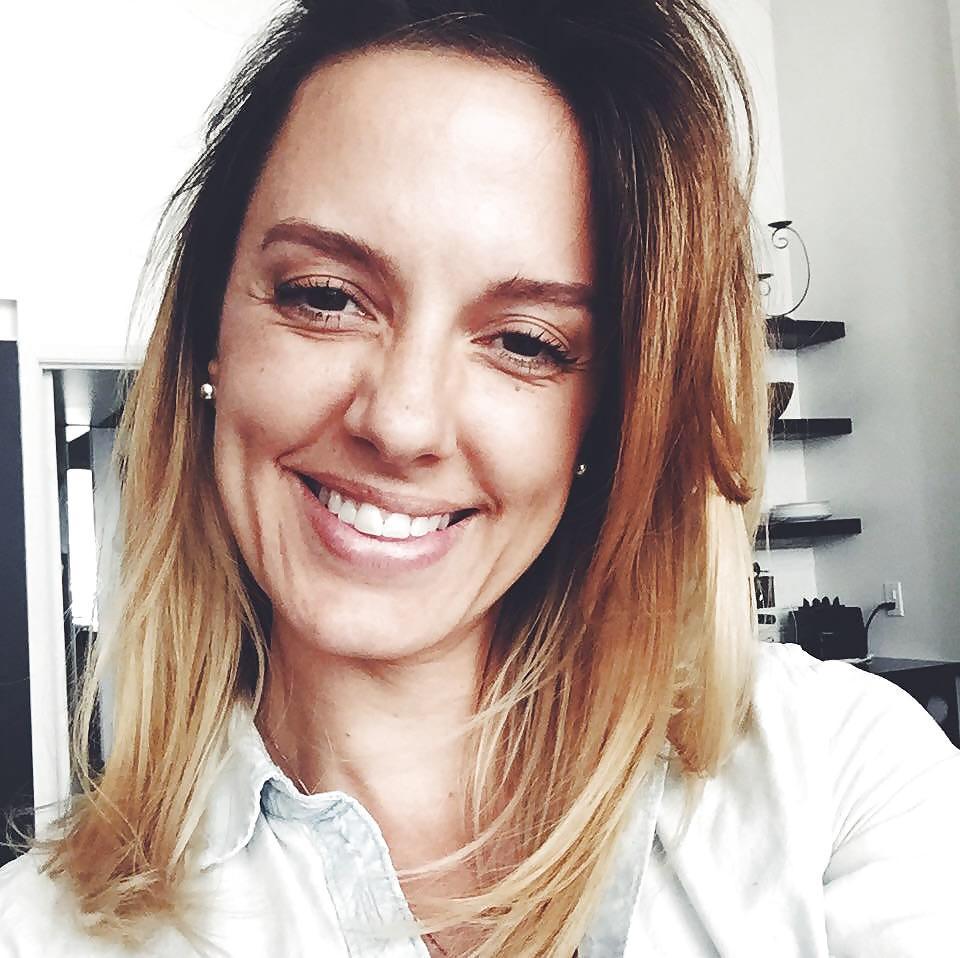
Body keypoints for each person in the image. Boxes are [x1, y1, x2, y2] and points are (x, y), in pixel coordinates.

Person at [2, 1, 959, 955]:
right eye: (325, 297)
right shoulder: (45, 932)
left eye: (526, 343)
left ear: (610, 415)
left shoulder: (839, 785)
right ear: (211, 334)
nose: (400, 421)